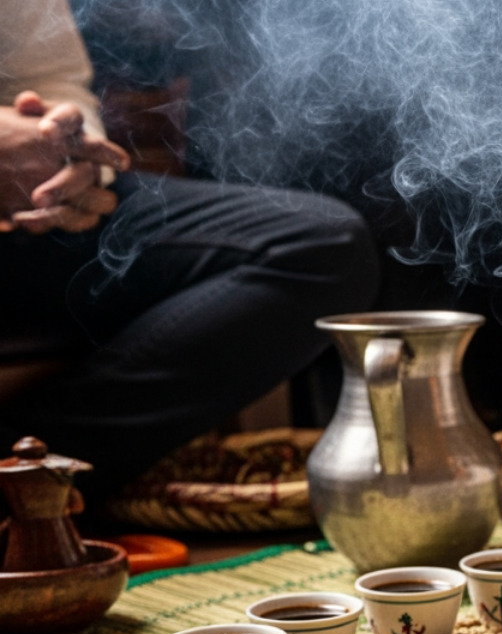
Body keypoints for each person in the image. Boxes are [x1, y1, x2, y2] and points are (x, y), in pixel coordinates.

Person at [0, 0, 379, 500]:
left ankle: (32, 473)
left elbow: (52, 77)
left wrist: (70, 151)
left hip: (29, 219)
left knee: (323, 247)